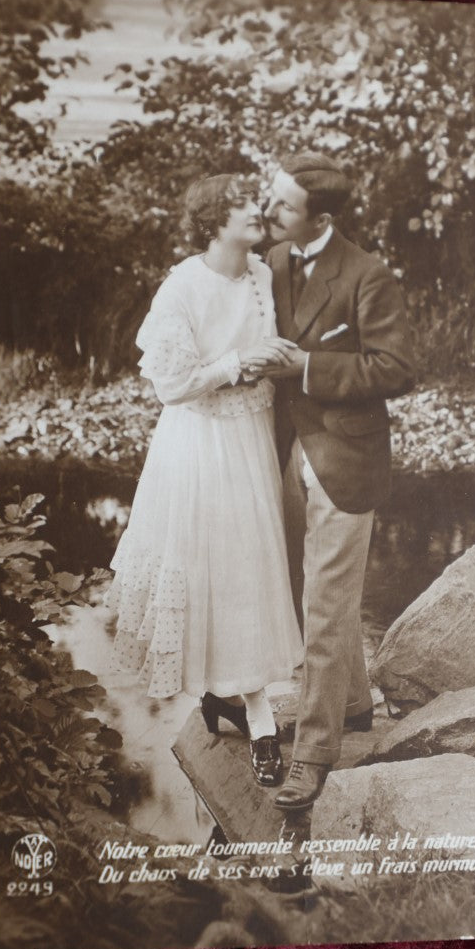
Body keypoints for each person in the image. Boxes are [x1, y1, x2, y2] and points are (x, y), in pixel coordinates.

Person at [106, 174, 304, 787]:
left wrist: (271, 362)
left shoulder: (264, 274)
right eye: (244, 204)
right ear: (213, 221)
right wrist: (239, 364)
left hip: (252, 437)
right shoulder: (183, 284)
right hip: (199, 445)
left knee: (252, 572)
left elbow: (270, 349)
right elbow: (172, 385)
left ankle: (237, 700)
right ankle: (259, 719)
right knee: (212, 571)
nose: (258, 211)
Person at [258, 153, 413, 809]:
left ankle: (314, 754)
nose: (268, 211)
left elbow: (399, 367)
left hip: (346, 461)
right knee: (309, 592)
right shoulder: (273, 262)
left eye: (282, 205)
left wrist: (309, 365)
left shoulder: (367, 274)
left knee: (323, 608)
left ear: (318, 218)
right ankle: (351, 707)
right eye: (270, 199)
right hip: (288, 450)